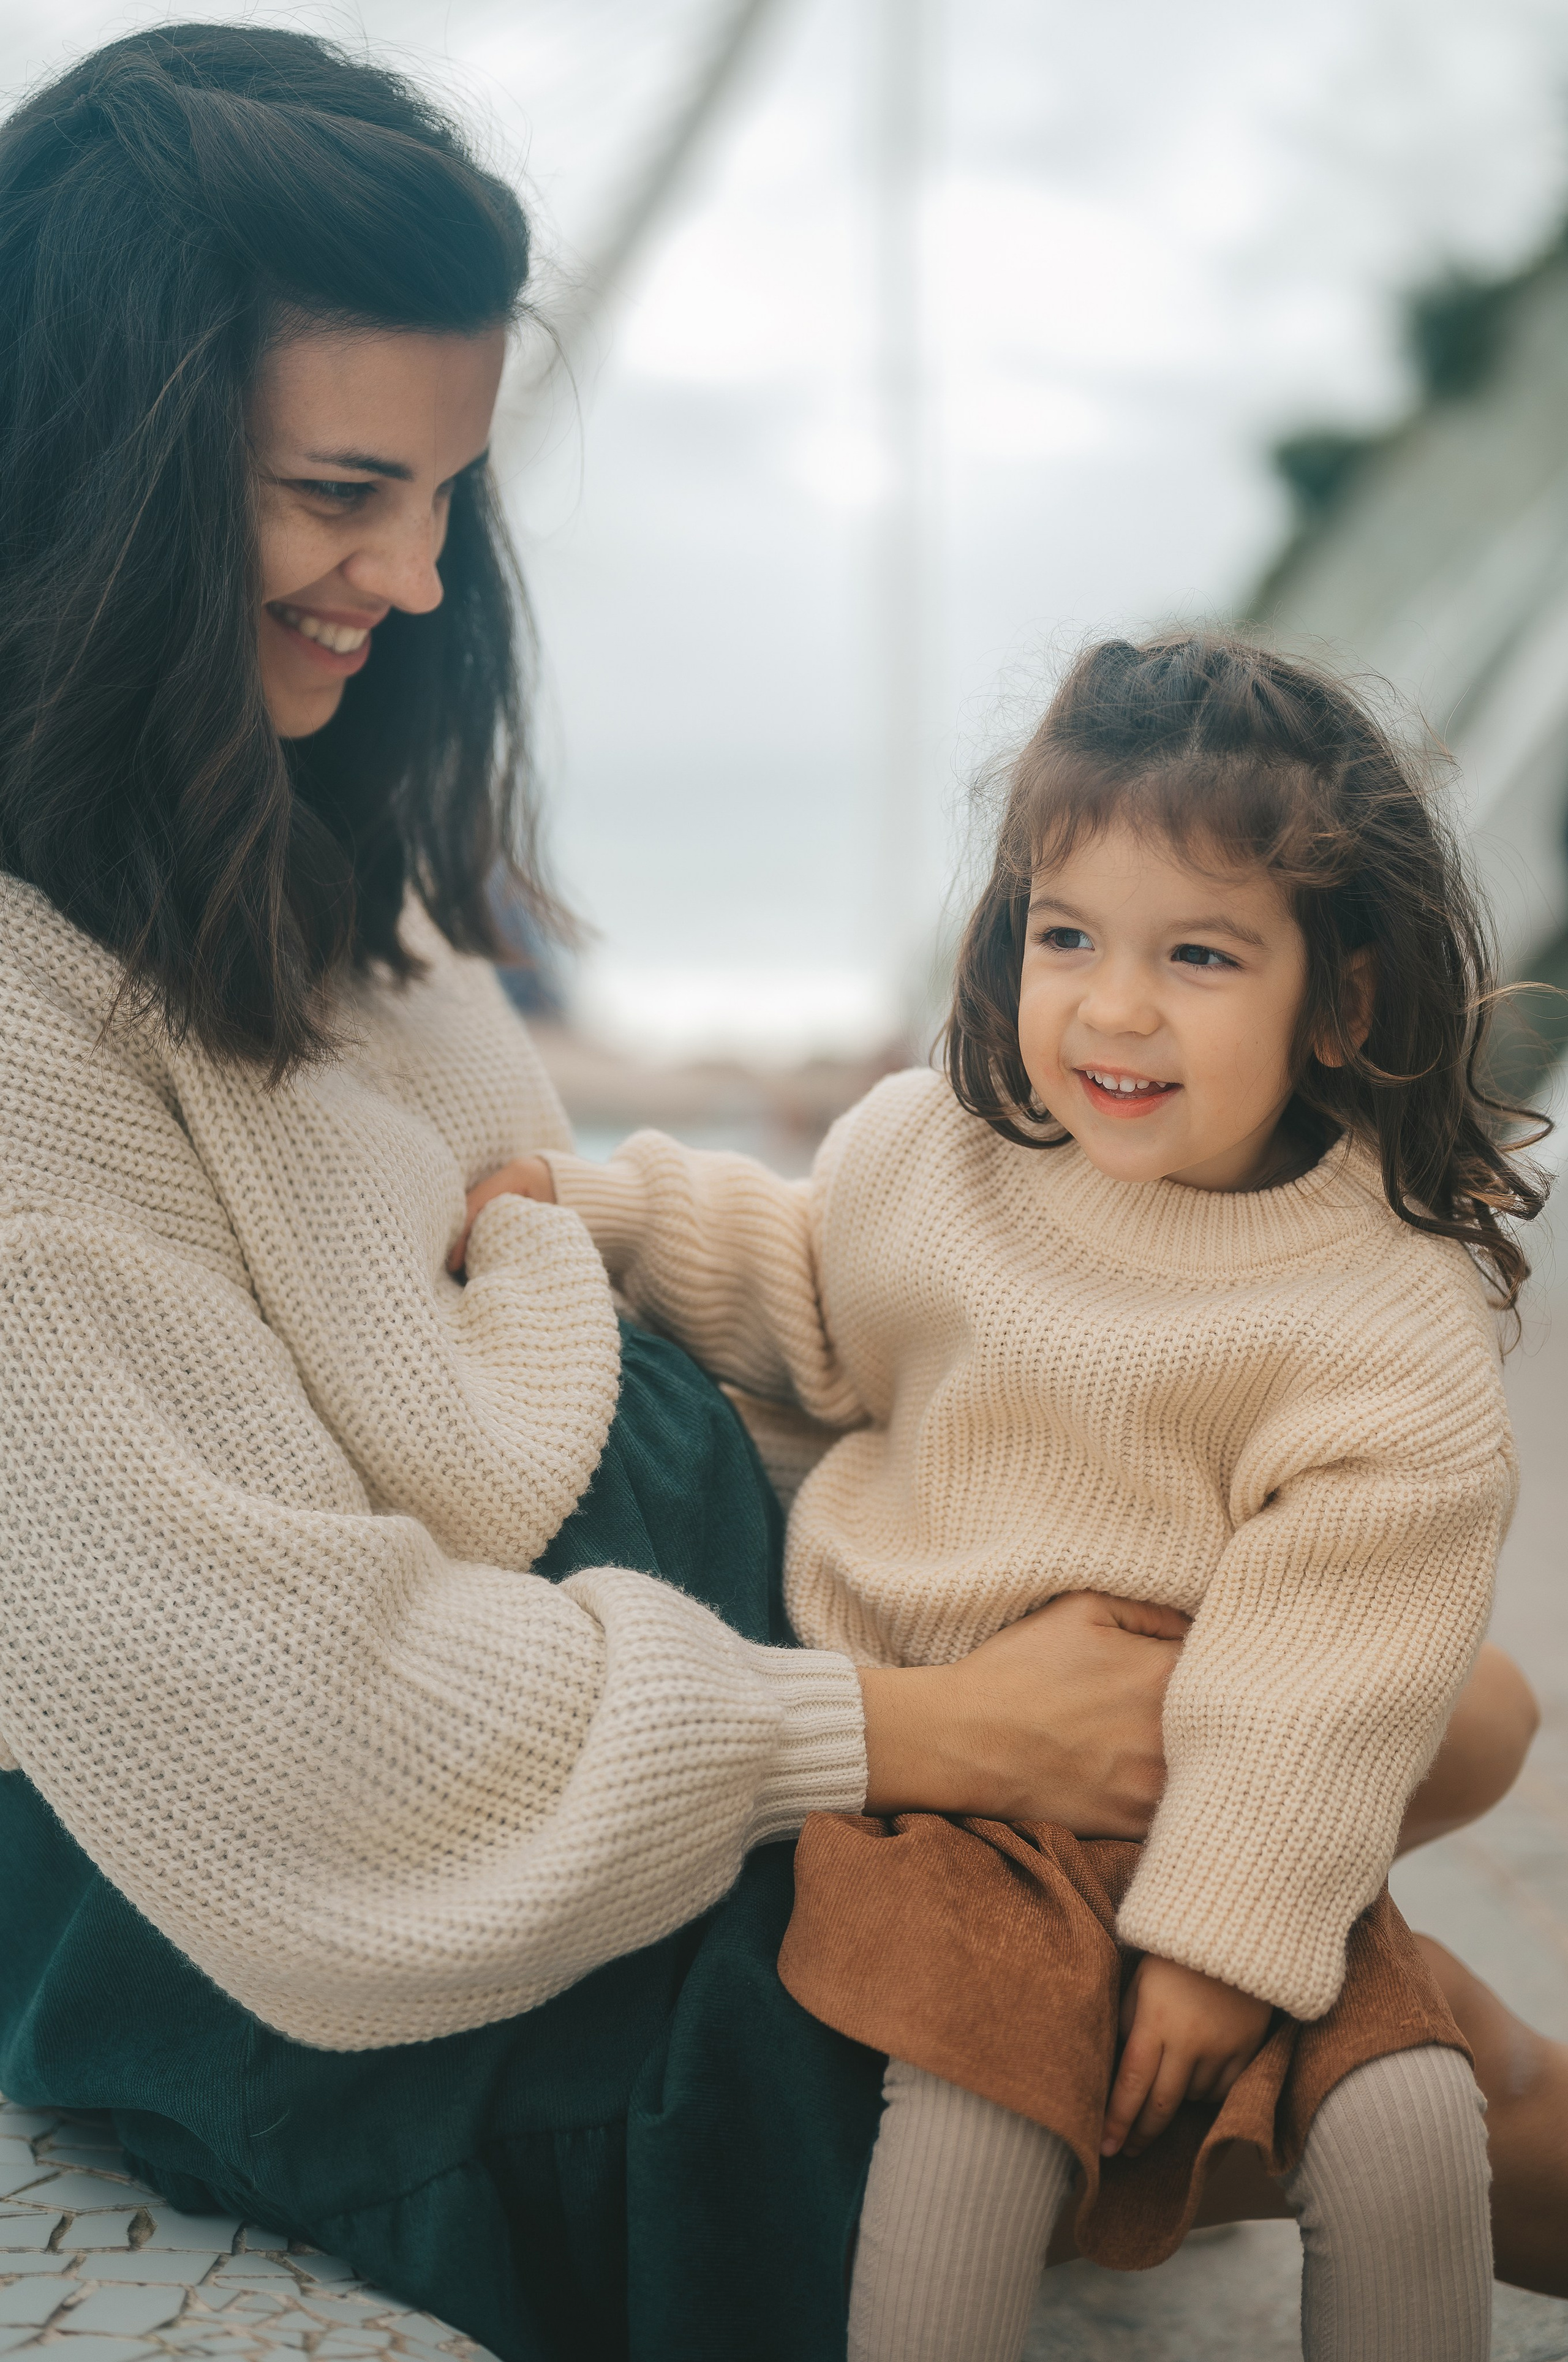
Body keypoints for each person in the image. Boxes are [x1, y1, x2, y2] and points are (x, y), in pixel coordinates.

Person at [0, 27, 1553, 2361]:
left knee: (1427, 1709)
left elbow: (732, 1295)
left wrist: (1036, 1633)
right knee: (1255, 2027)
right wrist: (934, 1736)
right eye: (340, 488)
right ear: (95, 472)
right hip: (354, 1888)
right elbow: (278, 1725)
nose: (416, 581)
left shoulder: (307, 859)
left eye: (447, 494)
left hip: (700, 1681)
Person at [458, 632, 1548, 2362]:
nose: (1114, 1007)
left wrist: (1219, 1941)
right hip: (958, 1810)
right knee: (976, 2129)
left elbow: (1343, 1662)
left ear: (1336, 997)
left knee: (1411, 2132)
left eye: (1199, 954)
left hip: (1241, 1815)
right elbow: (807, 1287)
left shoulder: (1375, 1307)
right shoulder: (940, 1155)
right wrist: (604, 1218)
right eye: (1067, 937)